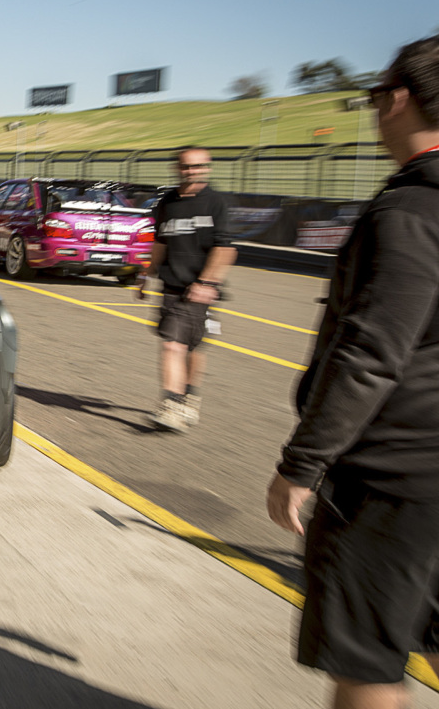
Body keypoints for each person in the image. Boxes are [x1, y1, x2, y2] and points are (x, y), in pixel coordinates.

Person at [267, 35, 439, 709]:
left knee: (367, 656)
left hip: (392, 475)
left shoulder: (408, 211)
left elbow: (370, 353)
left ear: (396, 100)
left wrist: (301, 464)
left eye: (374, 97)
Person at [134, 146, 235, 431]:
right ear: (178, 168)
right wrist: (146, 274)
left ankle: (183, 401)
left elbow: (225, 248)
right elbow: (161, 242)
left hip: (200, 290)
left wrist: (206, 283)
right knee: (173, 345)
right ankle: (176, 403)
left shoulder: (216, 203)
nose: (193, 171)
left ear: (208, 168)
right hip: (172, 287)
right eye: (187, 166)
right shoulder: (167, 202)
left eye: (199, 166)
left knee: (190, 348)